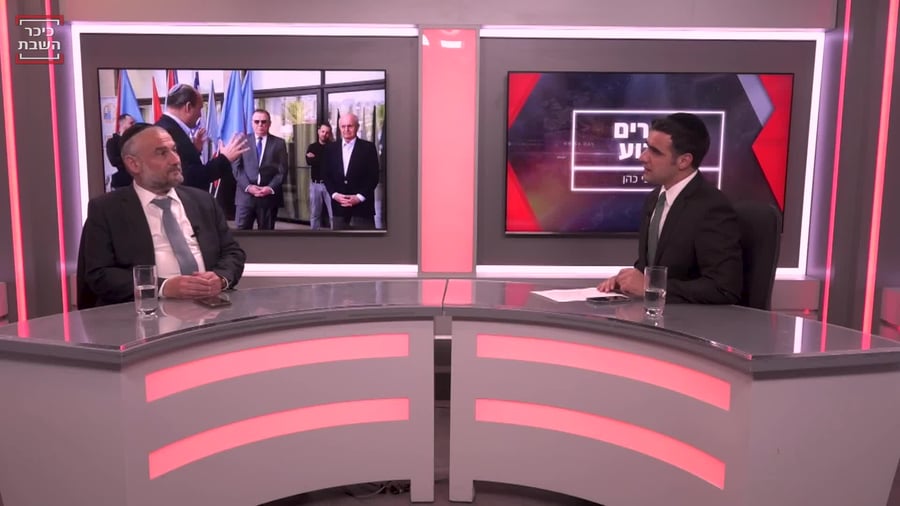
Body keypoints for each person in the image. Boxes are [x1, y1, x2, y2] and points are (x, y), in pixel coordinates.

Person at [77, 123, 246, 309]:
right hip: (144, 314)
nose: (175, 159)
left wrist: (220, 278)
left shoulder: (203, 201)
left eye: (174, 150)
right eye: (162, 153)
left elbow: (233, 253)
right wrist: (163, 287)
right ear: (134, 164)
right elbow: (99, 274)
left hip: (211, 309)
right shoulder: (106, 210)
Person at [598, 112, 742, 304]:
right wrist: (626, 281)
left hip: (690, 321)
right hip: (651, 316)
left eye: (655, 152)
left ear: (684, 161)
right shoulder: (654, 199)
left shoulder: (711, 208)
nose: (642, 157)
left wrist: (653, 286)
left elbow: (723, 288)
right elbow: (650, 267)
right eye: (646, 147)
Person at [155, 84, 249, 191]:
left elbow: (185, 165)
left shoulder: (165, 128)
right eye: (200, 109)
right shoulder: (167, 134)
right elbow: (189, 178)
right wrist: (225, 158)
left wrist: (194, 150)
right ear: (188, 107)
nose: (200, 115)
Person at [232, 109, 288, 230]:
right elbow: (236, 168)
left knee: (266, 236)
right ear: (252, 123)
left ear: (269, 123)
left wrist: (270, 188)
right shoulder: (242, 141)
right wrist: (248, 187)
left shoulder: (279, 143)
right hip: (245, 197)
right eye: (257, 121)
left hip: (268, 198)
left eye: (263, 122)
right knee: (242, 235)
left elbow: (282, 171)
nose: (260, 125)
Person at [323, 113, 380, 230]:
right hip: (339, 209)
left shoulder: (368, 148)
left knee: (364, 241)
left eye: (350, 126)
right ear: (339, 128)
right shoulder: (330, 149)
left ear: (357, 127)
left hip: (362, 210)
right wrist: (334, 194)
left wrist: (359, 197)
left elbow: (373, 177)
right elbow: (326, 175)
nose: (346, 129)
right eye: (343, 126)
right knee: (340, 242)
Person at [305, 122, 335, 230]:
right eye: (322, 131)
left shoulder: (333, 147)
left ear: (329, 134)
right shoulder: (312, 147)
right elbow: (309, 162)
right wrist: (323, 160)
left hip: (329, 185)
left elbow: (333, 164)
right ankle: (314, 236)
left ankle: (336, 236)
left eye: (327, 132)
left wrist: (316, 158)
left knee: (333, 214)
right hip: (315, 185)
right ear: (318, 132)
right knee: (314, 214)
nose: (324, 134)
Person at [106, 113, 135, 189]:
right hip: (121, 183)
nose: (133, 125)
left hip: (136, 182)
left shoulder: (135, 141)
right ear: (122, 124)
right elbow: (114, 161)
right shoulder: (112, 142)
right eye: (131, 123)